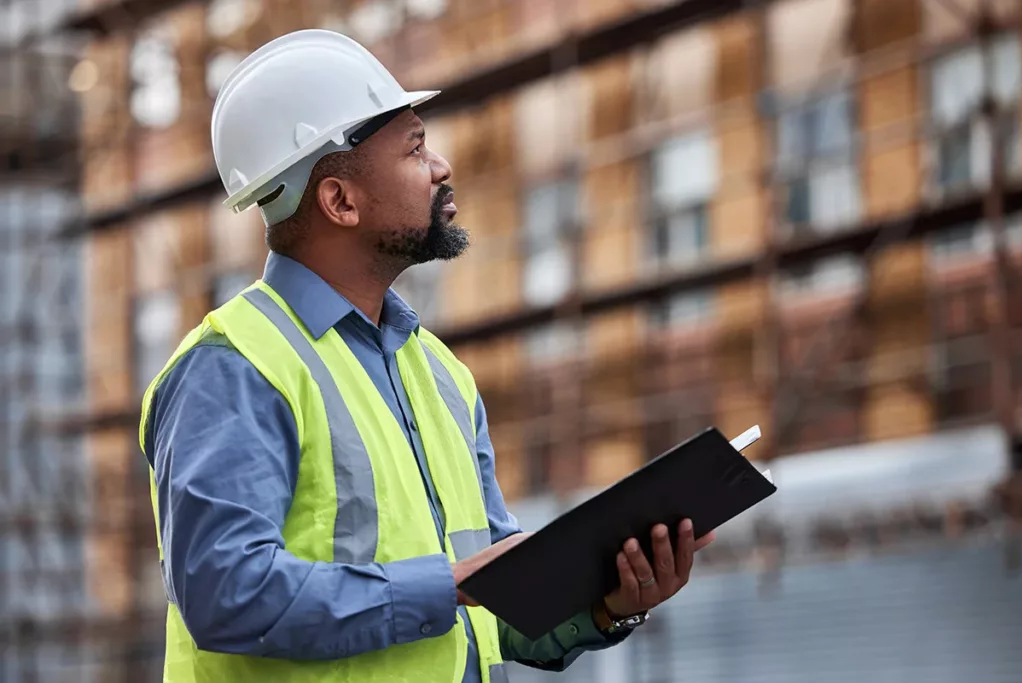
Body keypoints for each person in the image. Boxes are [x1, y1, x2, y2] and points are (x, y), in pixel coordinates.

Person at [140, 29, 715, 683]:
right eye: (415, 149)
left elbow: (491, 604)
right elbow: (227, 592)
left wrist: (609, 604)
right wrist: (444, 586)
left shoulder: (441, 373)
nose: (441, 166)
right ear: (340, 201)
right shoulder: (234, 367)